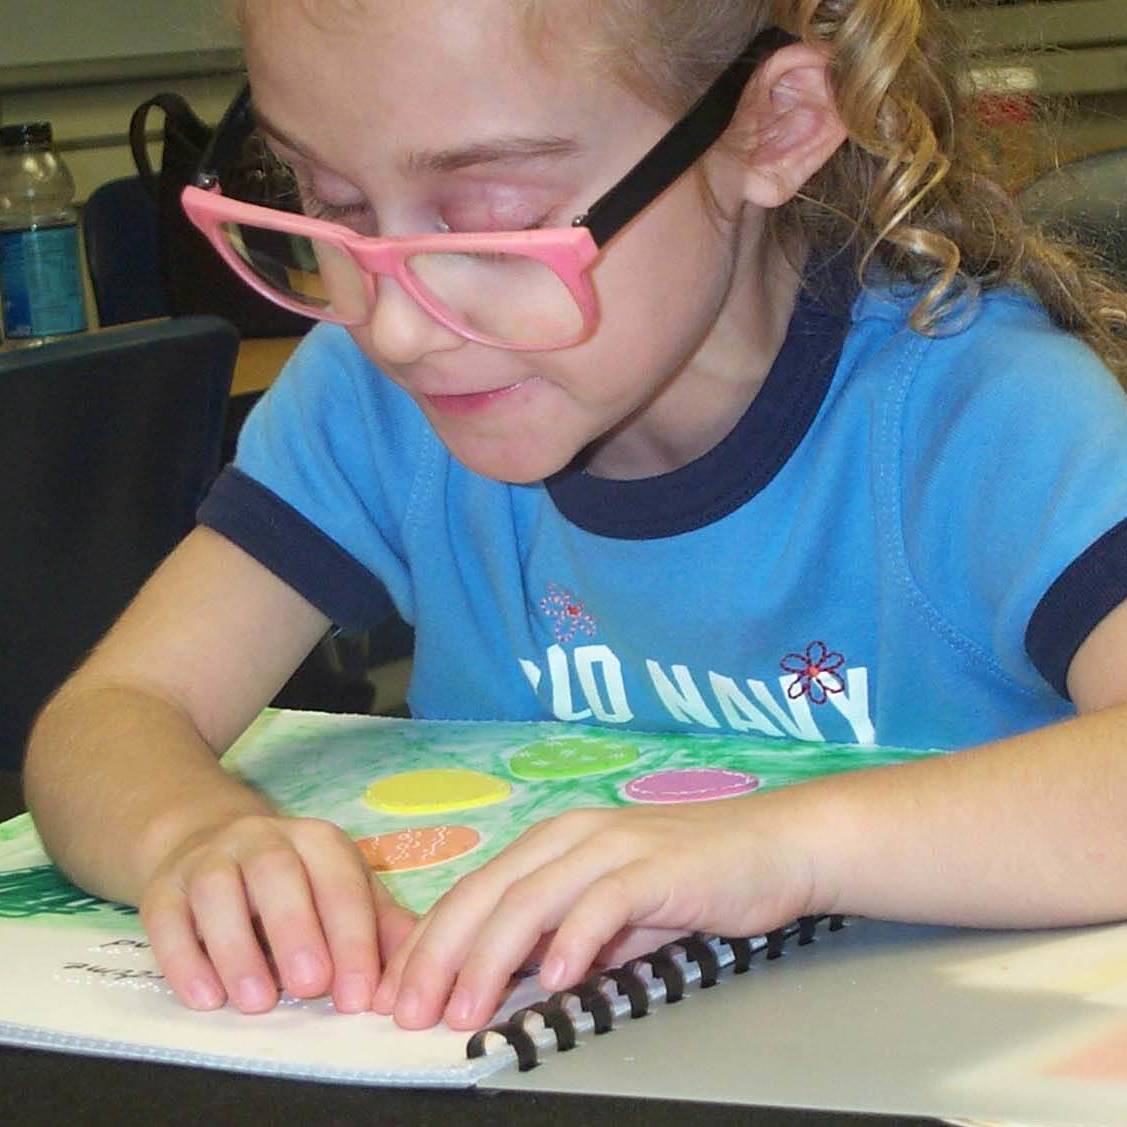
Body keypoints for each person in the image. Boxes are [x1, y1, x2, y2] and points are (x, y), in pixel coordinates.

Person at [23, 0, 1127, 1035]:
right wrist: (195, 837)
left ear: (774, 126)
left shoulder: (980, 420)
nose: (395, 326)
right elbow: (113, 712)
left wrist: (780, 847)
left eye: (491, 220)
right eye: (330, 204)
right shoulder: (375, 403)